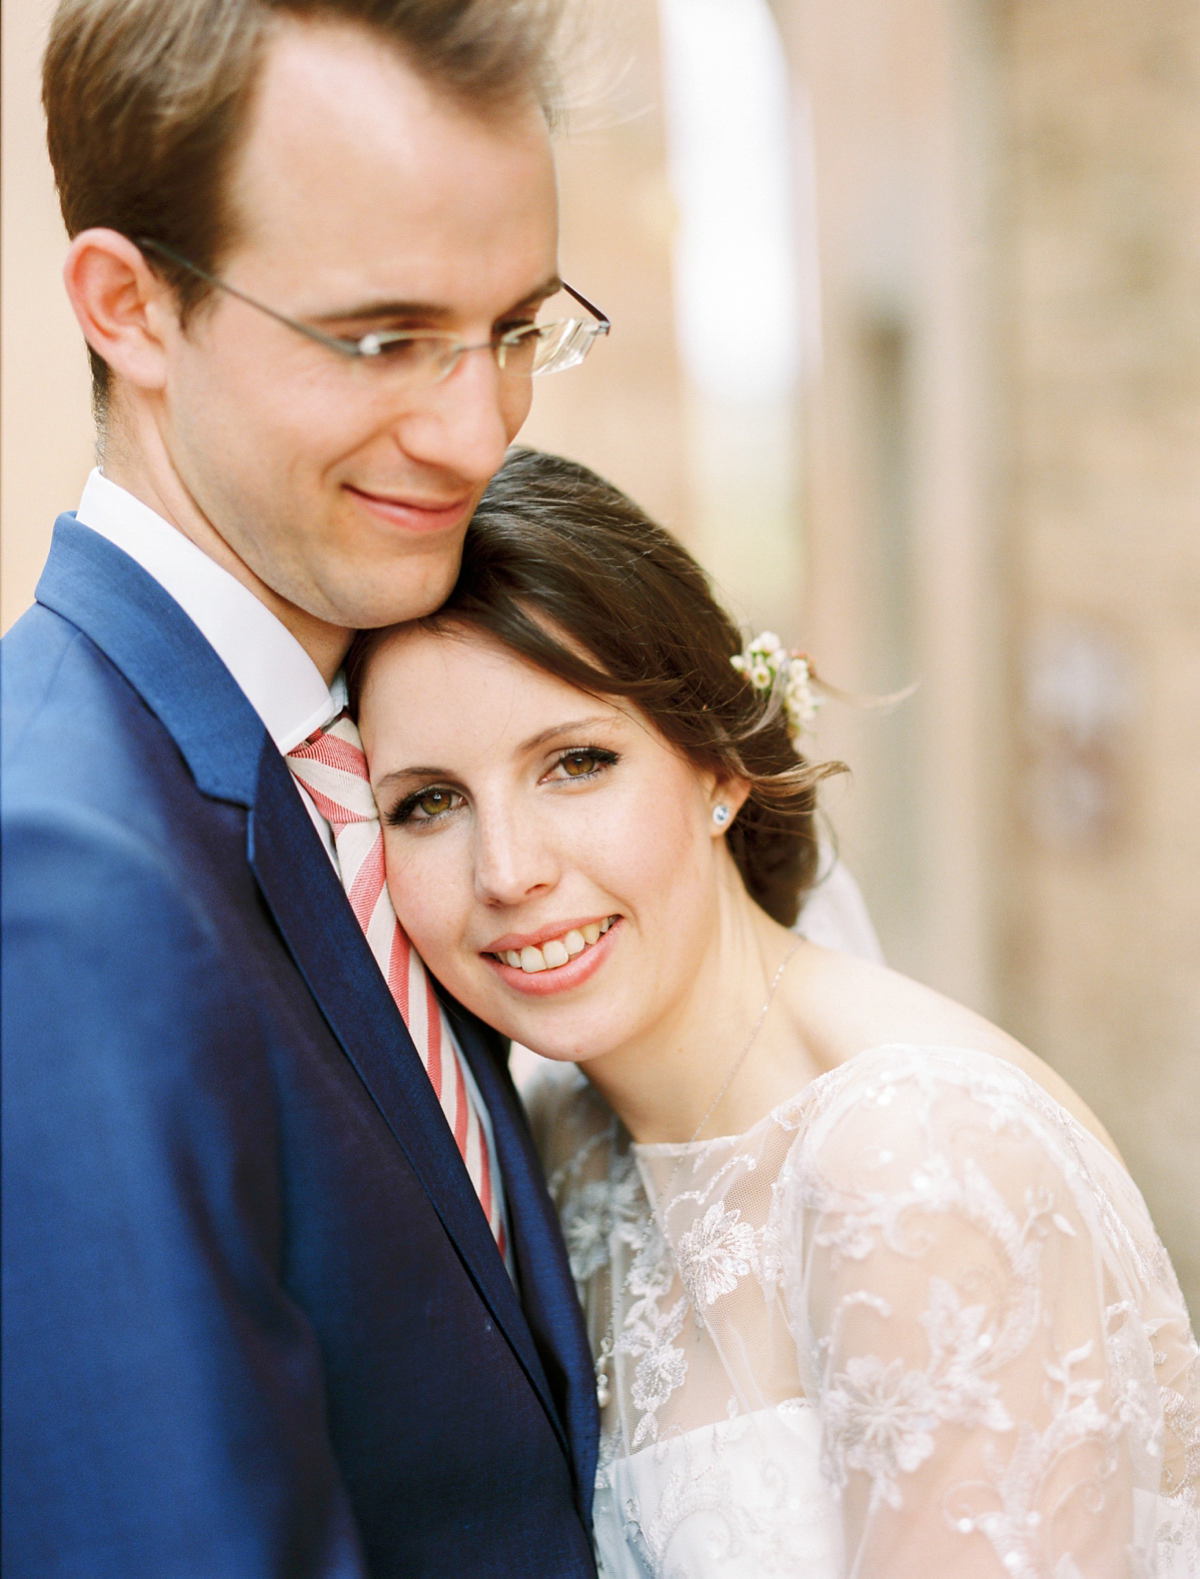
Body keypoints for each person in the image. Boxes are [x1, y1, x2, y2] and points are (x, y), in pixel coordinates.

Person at [2, 0, 611, 1573]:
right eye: (383, 337)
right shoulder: (59, 877)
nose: (477, 431)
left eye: (515, 329)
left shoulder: (371, 749)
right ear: (130, 306)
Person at [352, 448, 1200, 1577]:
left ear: (718, 766)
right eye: (430, 801)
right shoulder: (551, 1133)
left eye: (577, 762)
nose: (507, 871)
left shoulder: (914, 1158)